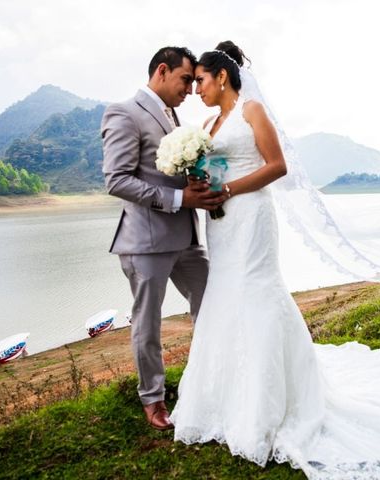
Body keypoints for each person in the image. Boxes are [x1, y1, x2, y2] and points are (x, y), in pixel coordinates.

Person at [169, 41, 380, 479]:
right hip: (220, 223)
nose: (196, 88)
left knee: (256, 292)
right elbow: (211, 167)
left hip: (251, 216)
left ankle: (269, 404)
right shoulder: (208, 122)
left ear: (222, 77)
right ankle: (220, 399)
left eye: (200, 80)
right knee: (224, 295)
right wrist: (202, 185)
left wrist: (232, 190)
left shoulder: (251, 111)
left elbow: (278, 167)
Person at [101, 46, 226, 431]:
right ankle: (152, 400)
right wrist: (177, 197)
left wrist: (194, 185)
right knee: (147, 323)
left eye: (193, 82)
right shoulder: (123, 112)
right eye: (185, 79)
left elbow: (168, 171)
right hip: (146, 241)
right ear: (161, 71)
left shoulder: (173, 116)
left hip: (187, 237)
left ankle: (215, 380)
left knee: (215, 302)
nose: (190, 89)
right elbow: (117, 180)